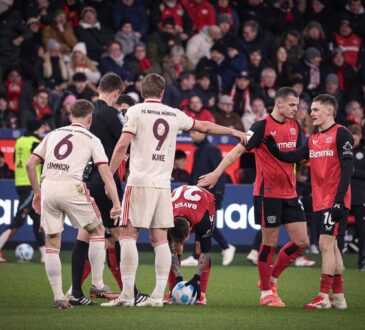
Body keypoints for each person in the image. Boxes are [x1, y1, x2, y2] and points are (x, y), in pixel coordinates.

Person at [101, 73, 245, 308]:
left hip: (139, 181)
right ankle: (158, 296)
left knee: (127, 235)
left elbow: (121, 146)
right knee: (159, 240)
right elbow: (205, 126)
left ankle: (127, 294)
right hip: (163, 185)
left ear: (142, 90)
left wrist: (108, 176)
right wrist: (231, 131)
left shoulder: (135, 111)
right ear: (163, 93)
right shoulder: (173, 113)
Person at [198, 87, 309, 307]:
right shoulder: (261, 127)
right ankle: (266, 293)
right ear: (279, 103)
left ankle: (271, 278)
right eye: (292, 105)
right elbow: (236, 152)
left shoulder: (295, 126)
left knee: (301, 241)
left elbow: (299, 156)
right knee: (270, 242)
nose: (296, 109)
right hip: (267, 193)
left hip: (290, 192)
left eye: (297, 105)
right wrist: (216, 173)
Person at [26, 100, 121, 309]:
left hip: (48, 186)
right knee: (97, 229)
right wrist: (115, 202)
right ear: (90, 119)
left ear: (70, 117)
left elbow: (30, 164)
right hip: (72, 186)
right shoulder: (92, 138)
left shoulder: (52, 134)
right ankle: (97, 284)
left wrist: (37, 193)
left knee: (52, 243)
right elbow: (106, 173)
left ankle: (59, 297)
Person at [264, 94, 354, 309]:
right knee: (333, 249)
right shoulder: (314, 139)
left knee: (325, 245)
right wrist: (275, 150)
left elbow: (348, 168)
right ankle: (339, 298)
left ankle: (323, 297)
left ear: (330, 111)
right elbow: (294, 156)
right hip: (321, 201)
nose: (311, 113)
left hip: (335, 200)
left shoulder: (342, 134)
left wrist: (339, 201)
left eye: (316, 109)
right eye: (311, 110)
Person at [68, 74, 126, 305]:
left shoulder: (88, 115)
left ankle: (76, 291)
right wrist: (110, 177)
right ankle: (128, 290)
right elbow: (125, 143)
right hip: (105, 180)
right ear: (116, 93)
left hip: (85, 179)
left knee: (88, 232)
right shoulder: (113, 114)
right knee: (120, 234)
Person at [182, 130, 236, 267]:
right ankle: (196, 256)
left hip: (210, 194)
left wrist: (218, 193)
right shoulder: (198, 151)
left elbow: (220, 173)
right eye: (190, 134)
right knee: (199, 224)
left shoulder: (212, 149)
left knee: (206, 225)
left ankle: (226, 247)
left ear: (203, 133)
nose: (191, 135)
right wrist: (189, 190)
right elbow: (194, 174)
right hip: (197, 194)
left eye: (193, 133)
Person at [0, 120, 46, 263]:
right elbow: (42, 162)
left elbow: (14, 160)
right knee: (18, 220)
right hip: (31, 185)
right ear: (37, 129)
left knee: (37, 220)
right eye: (41, 127)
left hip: (19, 183)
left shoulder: (19, 141)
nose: (43, 130)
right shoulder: (36, 142)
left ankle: (45, 256)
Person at [165, 185, 215, 305]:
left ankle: (201, 294)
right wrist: (178, 277)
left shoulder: (203, 221)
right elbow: (171, 252)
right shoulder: (166, 219)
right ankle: (172, 290)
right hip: (180, 202)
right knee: (174, 249)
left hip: (206, 202)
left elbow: (206, 251)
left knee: (200, 247)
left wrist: (197, 277)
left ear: (189, 233)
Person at [345, 125, 365, 271]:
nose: (354, 139)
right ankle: (337, 260)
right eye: (351, 136)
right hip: (343, 195)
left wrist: (353, 171)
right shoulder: (342, 152)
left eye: (356, 136)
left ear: (359, 137)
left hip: (360, 197)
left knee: (362, 229)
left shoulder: (363, 152)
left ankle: (362, 261)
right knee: (338, 230)